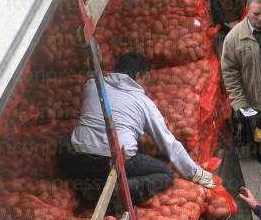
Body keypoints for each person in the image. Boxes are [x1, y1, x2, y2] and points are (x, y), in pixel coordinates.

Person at [59, 52, 215, 205]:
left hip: (78, 158)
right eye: (145, 80)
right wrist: (197, 174)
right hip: (113, 162)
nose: (145, 86)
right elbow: (169, 144)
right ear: (139, 75)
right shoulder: (144, 103)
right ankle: (121, 189)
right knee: (165, 174)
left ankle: (81, 184)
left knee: (66, 142)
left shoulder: (92, 85)